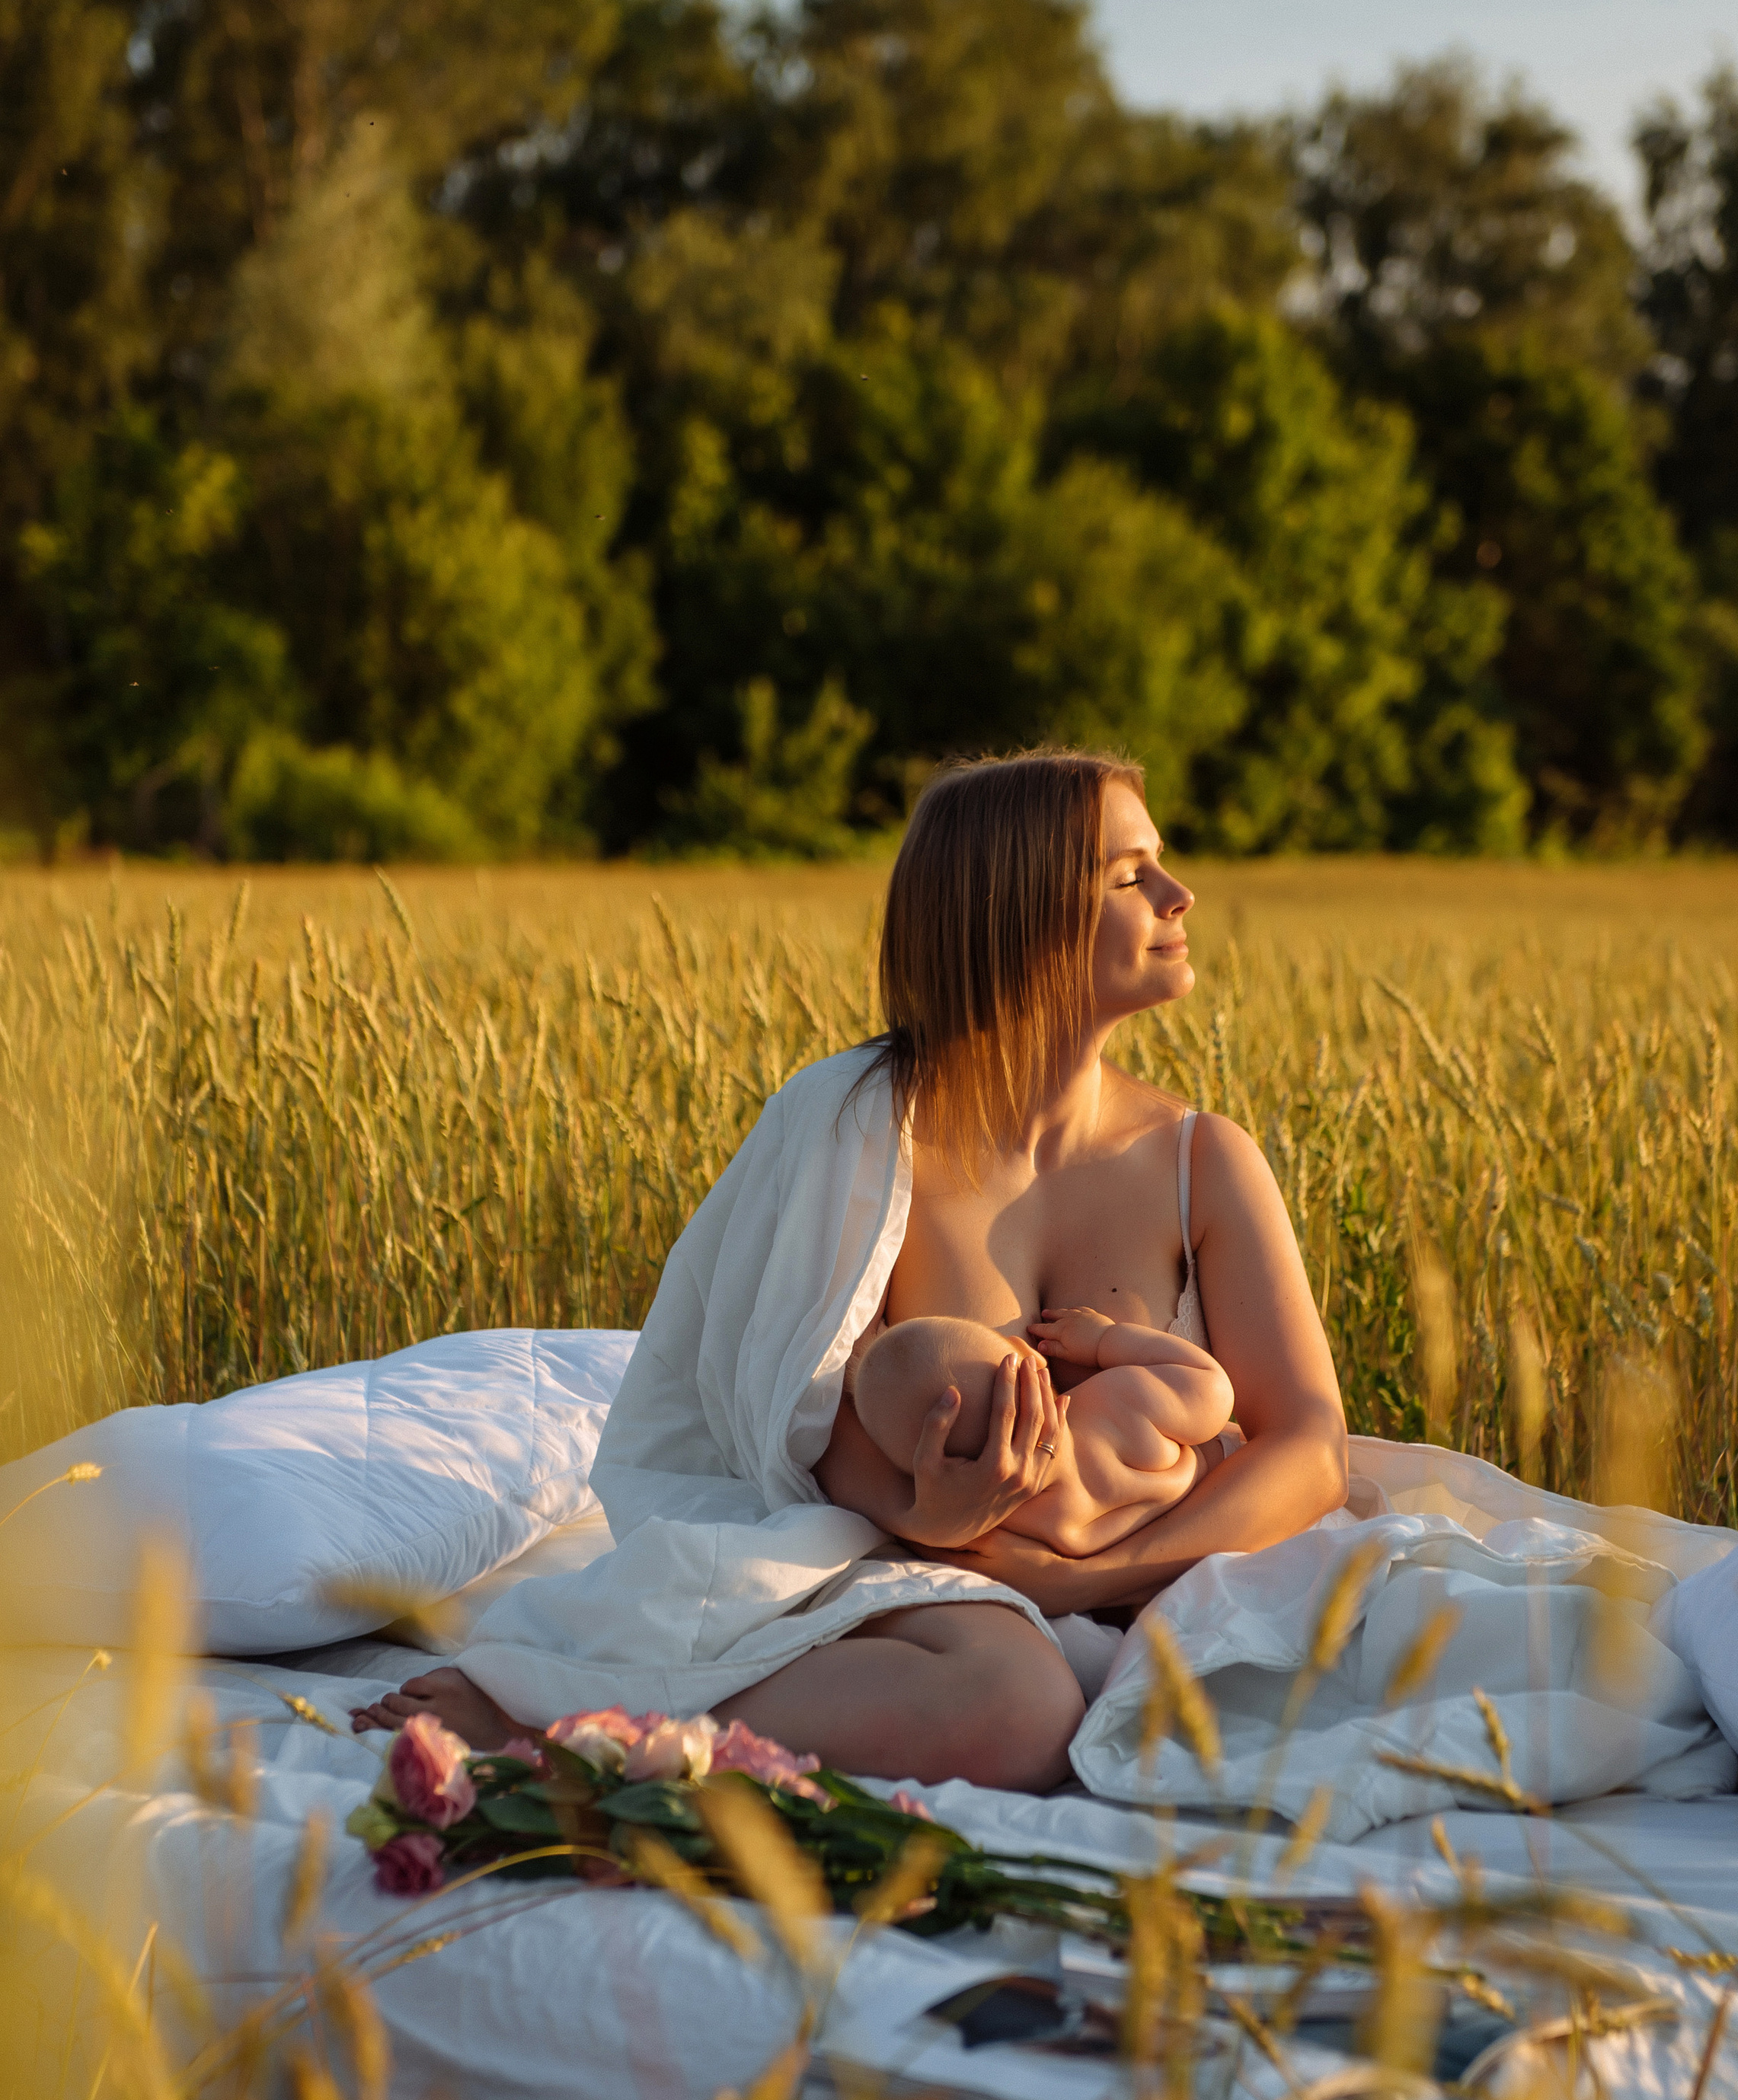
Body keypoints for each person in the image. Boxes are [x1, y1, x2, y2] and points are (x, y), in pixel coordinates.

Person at [354, 750, 1348, 1789]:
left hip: (1157, 1560)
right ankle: (565, 1721)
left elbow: (1310, 1444)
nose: (1178, 895)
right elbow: (792, 1423)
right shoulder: (853, 1129)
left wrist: (1081, 1578)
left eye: (1162, 864)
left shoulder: (1205, 1162)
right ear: (1020, 910)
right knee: (1019, 1706)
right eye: (1128, 874)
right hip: (903, 1561)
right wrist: (943, 1518)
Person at [851, 1305, 1244, 1558]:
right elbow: (1213, 1388)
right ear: (1027, 1353)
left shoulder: (1005, 1524)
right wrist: (1104, 1340)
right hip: (1232, 1492)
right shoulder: (1119, 1404)